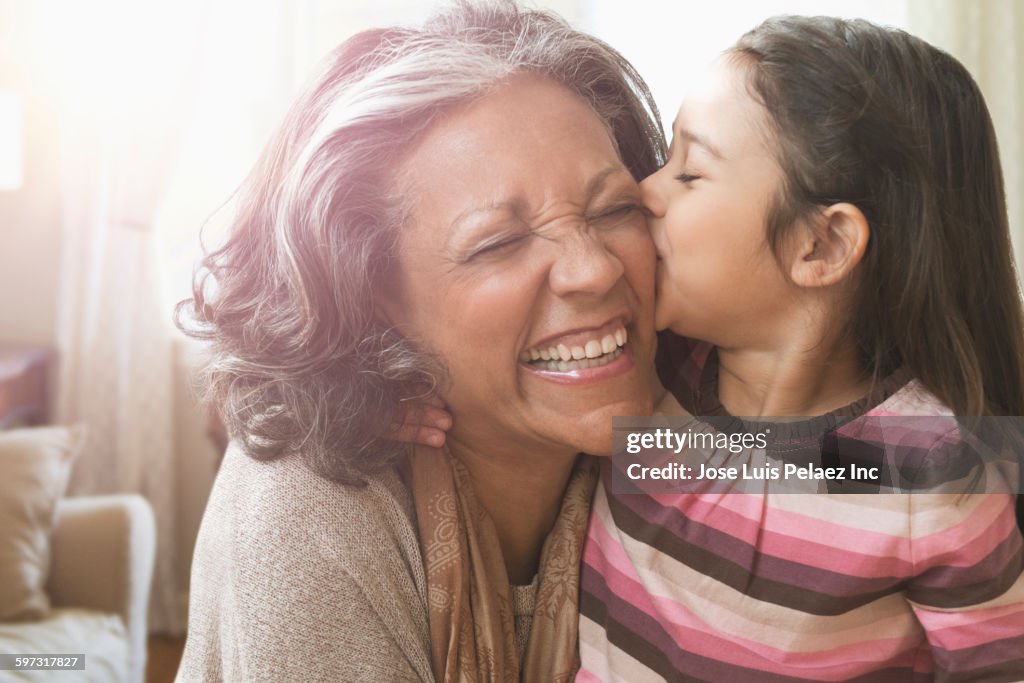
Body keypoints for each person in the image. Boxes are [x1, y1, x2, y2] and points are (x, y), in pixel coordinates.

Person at [173, 2, 667, 681]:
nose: (595, 268)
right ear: (371, 295)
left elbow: (852, 469)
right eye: (499, 242)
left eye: (616, 209)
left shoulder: (678, 425)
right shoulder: (308, 504)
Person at [575, 16, 1024, 681]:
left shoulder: (926, 472)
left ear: (821, 245)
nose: (644, 191)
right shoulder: (648, 370)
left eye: (690, 172)